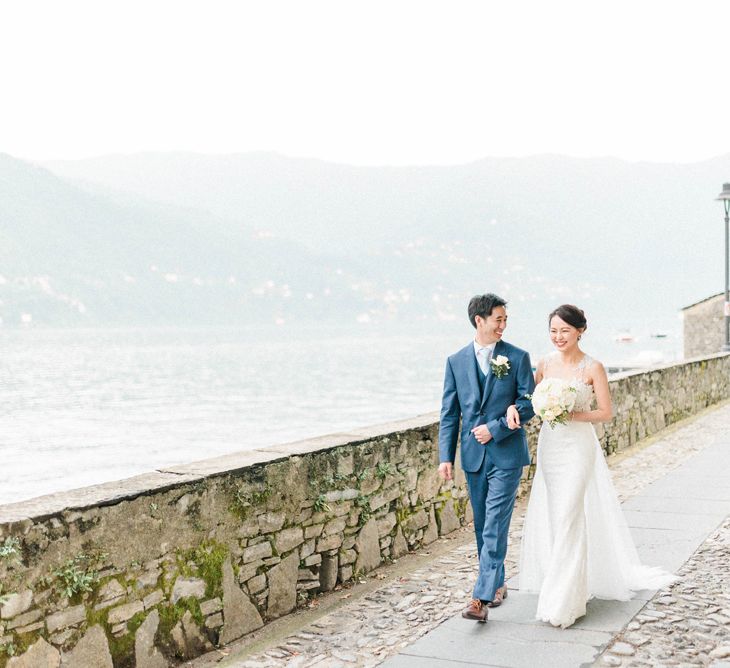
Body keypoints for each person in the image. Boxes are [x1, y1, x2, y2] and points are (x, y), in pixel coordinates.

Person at [507, 304, 676, 628]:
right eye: (553, 331)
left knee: (571, 513)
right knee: (557, 516)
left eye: (564, 331)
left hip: (578, 447)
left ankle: (564, 599)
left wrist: (569, 414)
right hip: (551, 446)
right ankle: (567, 582)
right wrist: (523, 410)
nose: (558, 337)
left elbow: (604, 412)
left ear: (580, 331)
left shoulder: (593, 367)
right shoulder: (543, 364)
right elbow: (531, 402)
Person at [438, 293, 535, 623]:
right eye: (498, 319)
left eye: (506, 319)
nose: (503, 325)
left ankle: (479, 598)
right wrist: (445, 456)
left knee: (494, 523)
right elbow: (450, 414)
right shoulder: (455, 361)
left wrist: (496, 427)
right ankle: (497, 582)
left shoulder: (517, 357)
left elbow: (529, 403)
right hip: (473, 457)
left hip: (506, 454)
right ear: (479, 320)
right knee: (482, 525)